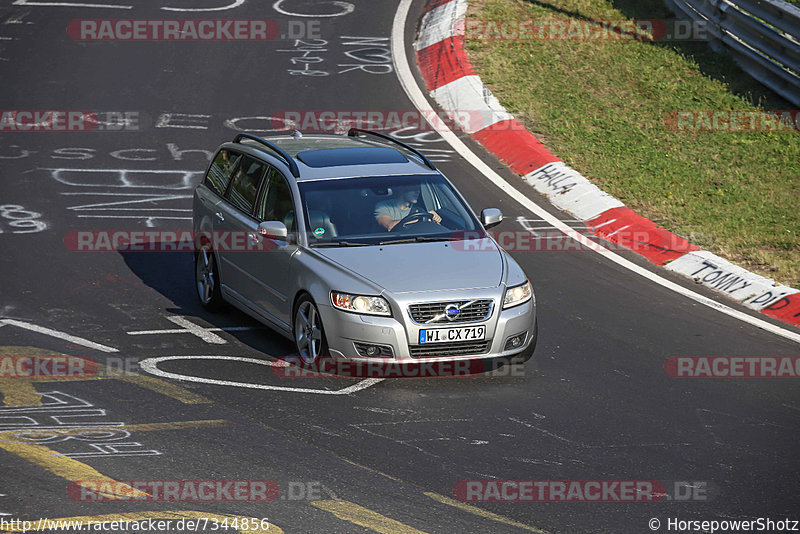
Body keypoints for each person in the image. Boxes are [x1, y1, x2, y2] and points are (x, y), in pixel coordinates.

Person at [374, 185, 441, 231]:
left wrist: (435, 221)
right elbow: (389, 226)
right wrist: (421, 219)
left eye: (418, 189)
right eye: (413, 189)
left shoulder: (419, 210)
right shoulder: (383, 206)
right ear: (402, 189)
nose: (417, 192)